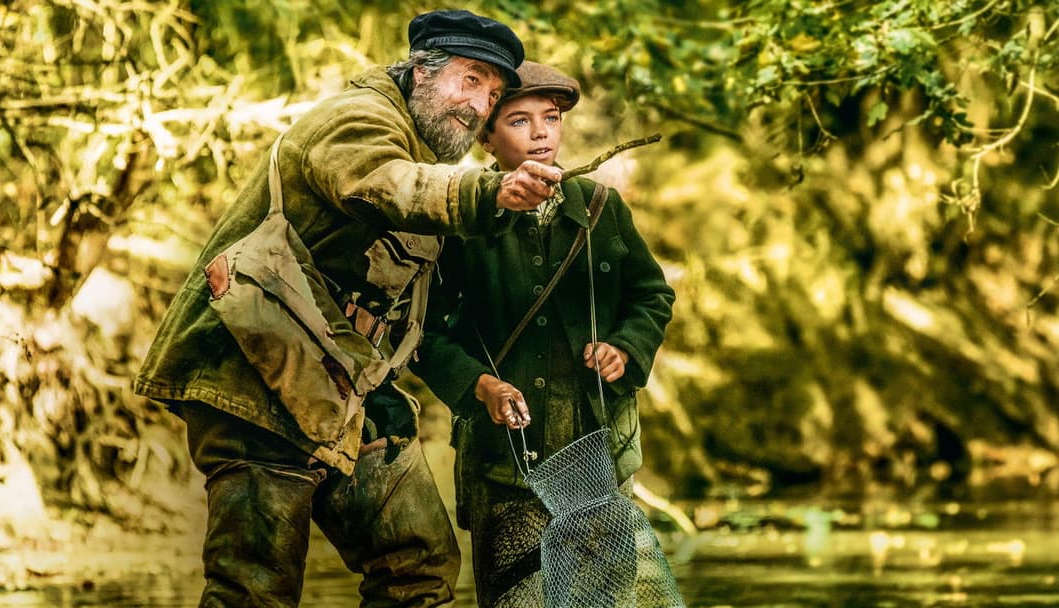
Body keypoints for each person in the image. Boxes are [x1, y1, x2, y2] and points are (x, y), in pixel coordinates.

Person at [133, 10, 564, 608]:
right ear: (420, 71)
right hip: (254, 369)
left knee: (419, 567)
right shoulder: (355, 119)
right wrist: (491, 190)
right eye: (469, 81)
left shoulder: (426, 151)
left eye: (492, 93)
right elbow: (387, 184)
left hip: (343, 379)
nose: (478, 105)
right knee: (253, 589)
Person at [411, 61, 676, 607]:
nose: (540, 134)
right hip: (505, 468)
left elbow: (652, 296)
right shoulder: (461, 220)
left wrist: (625, 348)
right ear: (485, 136)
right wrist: (481, 386)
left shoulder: (604, 211)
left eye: (551, 119)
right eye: (518, 121)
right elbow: (425, 333)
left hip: (601, 457)